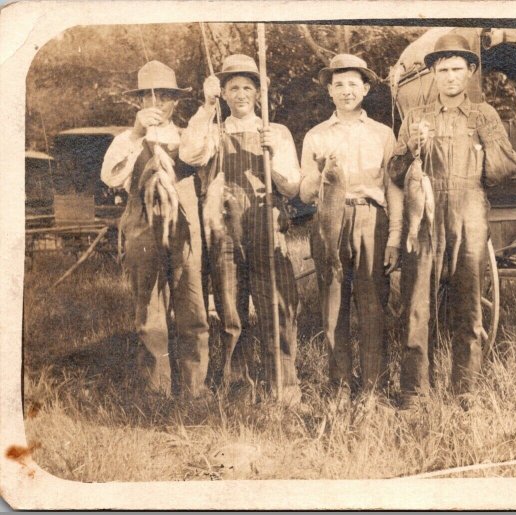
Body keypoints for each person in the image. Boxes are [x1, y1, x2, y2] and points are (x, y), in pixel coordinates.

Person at [388, 34, 516, 409]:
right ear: (432, 72)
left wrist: (485, 146)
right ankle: (414, 391)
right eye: (442, 70)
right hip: (425, 214)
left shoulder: (485, 114)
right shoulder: (415, 118)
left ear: (470, 72)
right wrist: (413, 147)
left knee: (469, 305)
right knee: (417, 304)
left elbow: (501, 172)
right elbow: (397, 173)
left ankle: (465, 390)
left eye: (457, 70)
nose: (450, 77)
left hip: (470, 214)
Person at [179, 54, 302, 404]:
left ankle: (284, 386)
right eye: (233, 87)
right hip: (225, 228)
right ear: (224, 93)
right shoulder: (214, 130)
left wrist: (273, 153)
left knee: (276, 303)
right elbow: (189, 155)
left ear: (259, 93)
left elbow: (292, 187)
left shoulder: (276, 132)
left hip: (266, 223)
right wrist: (206, 107)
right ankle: (238, 386)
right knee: (231, 308)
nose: (241, 94)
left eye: (248, 87)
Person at [101, 60, 209, 401]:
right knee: (149, 311)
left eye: (164, 97)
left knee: (192, 307)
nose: (156, 104)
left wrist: (208, 106)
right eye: (149, 98)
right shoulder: (126, 139)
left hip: (184, 230)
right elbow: (111, 177)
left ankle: (194, 389)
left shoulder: (187, 136)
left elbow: (199, 153)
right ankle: (157, 390)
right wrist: (136, 134)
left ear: (175, 102)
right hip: (142, 230)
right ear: (138, 103)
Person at [299, 54, 402, 399]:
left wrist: (396, 237)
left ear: (366, 89)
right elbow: (304, 191)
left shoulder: (384, 134)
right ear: (329, 90)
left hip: (372, 219)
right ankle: (340, 383)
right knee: (333, 302)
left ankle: (374, 386)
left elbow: (392, 188)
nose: (346, 91)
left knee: (372, 304)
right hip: (330, 218)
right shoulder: (315, 136)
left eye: (353, 84)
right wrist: (317, 171)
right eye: (339, 84)